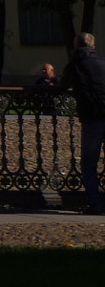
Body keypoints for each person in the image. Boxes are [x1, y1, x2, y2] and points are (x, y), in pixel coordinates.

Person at [64, 34, 105, 213]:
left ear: (76, 47)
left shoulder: (74, 65)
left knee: (89, 162)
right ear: (93, 46)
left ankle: (96, 205)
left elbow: (62, 85)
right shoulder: (103, 63)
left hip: (93, 117)